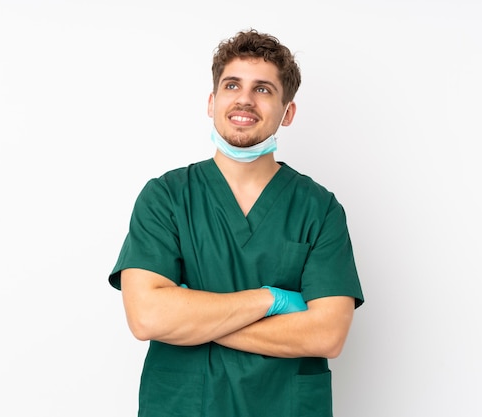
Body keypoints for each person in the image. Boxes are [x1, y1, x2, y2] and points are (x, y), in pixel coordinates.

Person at [108, 28, 364, 417]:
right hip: (185, 405)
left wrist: (194, 321)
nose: (244, 98)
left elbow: (327, 334)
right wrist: (271, 299)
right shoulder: (167, 197)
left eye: (263, 89)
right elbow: (147, 317)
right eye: (232, 85)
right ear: (212, 102)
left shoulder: (319, 208)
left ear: (288, 112)